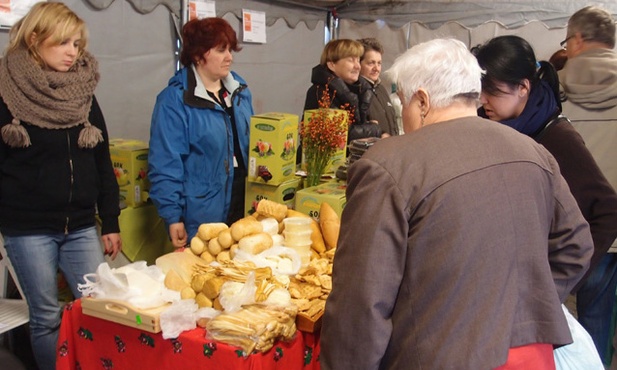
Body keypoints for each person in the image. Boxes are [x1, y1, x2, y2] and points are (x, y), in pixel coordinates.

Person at [320, 38, 593, 370]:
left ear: (421, 101)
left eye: (403, 102)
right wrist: (524, 301)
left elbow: (362, 301)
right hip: (531, 355)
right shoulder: (532, 151)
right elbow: (577, 245)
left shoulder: (388, 164)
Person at [475, 33, 617, 364]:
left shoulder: (556, 135)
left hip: (555, 275)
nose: (483, 100)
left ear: (523, 87)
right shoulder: (514, 126)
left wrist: (564, 278)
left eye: (492, 90)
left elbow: (608, 208)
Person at [0, 3, 122, 369]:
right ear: (36, 39)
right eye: (64, 43)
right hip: (28, 229)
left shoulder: (83, 91)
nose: (73, 52)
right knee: (47, 317)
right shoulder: (6, 92)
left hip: (81, 225)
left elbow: (101, 157)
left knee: (98, 308)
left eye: (78, 44)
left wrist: (110, 219)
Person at [148, 17, 254, 249]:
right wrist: (173, 216)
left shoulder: (240, 91)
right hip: (202, 211)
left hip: (244, 199)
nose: (230, 57)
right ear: (198, 55)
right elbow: (166, 162)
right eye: (221, 50)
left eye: (230, 50)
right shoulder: (174, 101)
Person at [558, 6, 617, 364]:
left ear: (577, 39)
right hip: (613, 226)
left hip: (576, 229)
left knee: (568, 328)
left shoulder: (555, 88)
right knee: (602, 320)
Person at [303, 39, 383, 145]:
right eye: (351, 60)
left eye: (358, 60)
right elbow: (336, 133)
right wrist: (374, 130)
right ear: (332, 65)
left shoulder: (361, 90)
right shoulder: (321, 92)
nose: (357, 66)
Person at [357, 38, 398, 137]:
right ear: (358, 63)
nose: (376, 68)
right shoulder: (355, 91)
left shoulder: (381, 89)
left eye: (379, 63)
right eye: (371, 63)